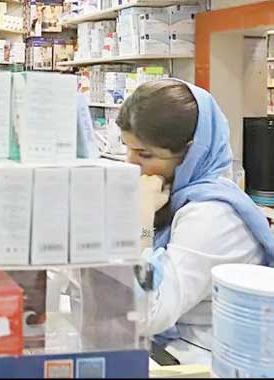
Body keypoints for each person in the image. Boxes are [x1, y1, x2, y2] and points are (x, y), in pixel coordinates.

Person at [117, 78, 274, 365]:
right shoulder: (174, 196)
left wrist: (140, 222)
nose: (131, 164)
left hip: (201, 359)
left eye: (145, 154)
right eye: (126, 147)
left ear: (192, 152)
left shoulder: (212, 216)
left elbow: (143, 315)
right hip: (168, 349)